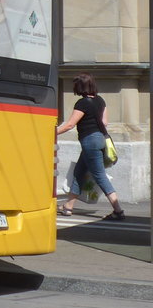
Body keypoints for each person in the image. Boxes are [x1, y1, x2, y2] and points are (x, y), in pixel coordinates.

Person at [56, 72, 124, 220]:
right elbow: (104, 123)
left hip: (89, 141)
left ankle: (118, 210)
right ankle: (68, 206)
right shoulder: (101, 101)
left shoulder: (82, 103)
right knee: (78, 172)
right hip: (100, 139)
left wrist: (51, 134)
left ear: (80, 87)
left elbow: (69, 125)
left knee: (99, 176)